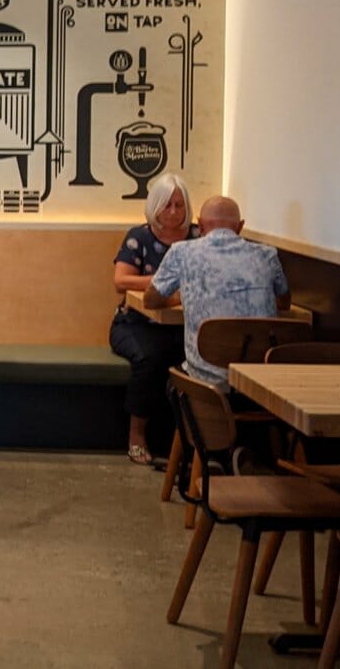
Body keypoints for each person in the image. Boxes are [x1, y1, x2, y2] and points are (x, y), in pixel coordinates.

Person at [145, 196, 291, 390]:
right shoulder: (267, 255)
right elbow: (284, 302)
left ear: (200, 225)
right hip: (261, 386)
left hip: (207, 385)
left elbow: (151, 300)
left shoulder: (182, 252)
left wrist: (180, 297)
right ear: (240, 227)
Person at [107, 174, 197, 464]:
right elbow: (121, 281)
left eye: (179, 205)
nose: (173, 211)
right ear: (155, 206)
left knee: (198, 359)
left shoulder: (198, 238)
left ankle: (191, 443)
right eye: (167, 205)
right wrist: (165, 280)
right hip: (135, 323)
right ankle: (136, 435)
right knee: (149, 358)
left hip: (184, 326)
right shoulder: (139, 237)